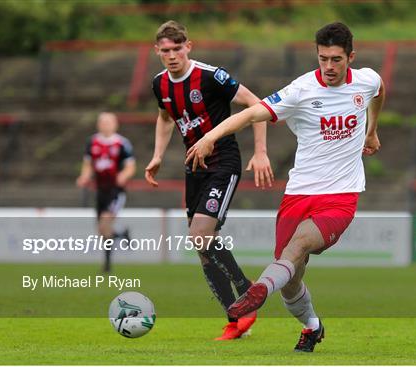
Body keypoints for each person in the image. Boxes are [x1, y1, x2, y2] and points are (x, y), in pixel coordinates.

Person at [186, 22, 384, 352]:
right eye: (323, 59)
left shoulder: (367, 79)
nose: (329, 67)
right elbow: (251, 114)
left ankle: (259, 289)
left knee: (299, 245)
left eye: (336, 59)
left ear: (351, 56)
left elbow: (378, 93)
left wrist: (372, 130)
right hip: (298, 194)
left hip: (341, 196)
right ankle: (312, 326)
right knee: (291, 280)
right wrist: (210, 136)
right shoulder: (301, 90)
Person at [144, 20, 274, 340]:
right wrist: (158, 154)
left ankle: (246, 292)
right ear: (156, 52)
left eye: (177, 49)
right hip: (194, 166)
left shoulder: (211, 76)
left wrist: (260, 152)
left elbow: (258, 106)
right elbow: (165, 116)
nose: (172, 55)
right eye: (165, 51)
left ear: (189, 46)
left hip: (223, 161)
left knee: (200, 235)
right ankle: (235, 320)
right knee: (202, 247)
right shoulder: (160, 84)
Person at [76, 112, 136, 272]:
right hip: (100, 190)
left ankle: (107, 266)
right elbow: (88, 164)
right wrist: (84, 177)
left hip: (115, 191)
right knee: (102, 231)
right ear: (98, 124)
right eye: (102, 122)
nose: (105, 125)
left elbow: (131, 167)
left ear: (115, 124)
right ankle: (122, 235)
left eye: (108, 122)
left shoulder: (122, 143)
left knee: (105, 225)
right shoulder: (92, 142)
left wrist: (123, 176)